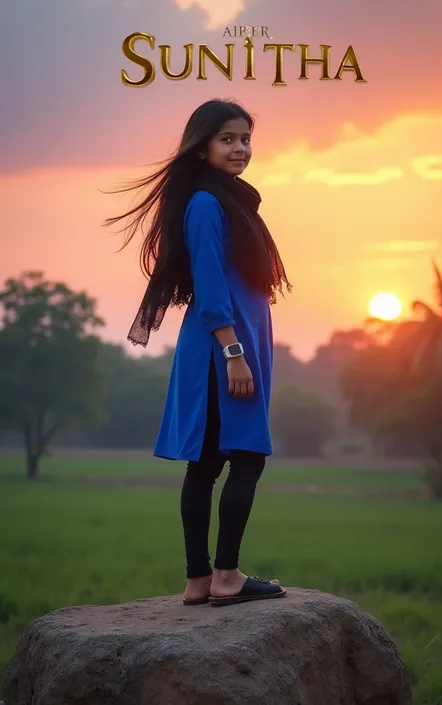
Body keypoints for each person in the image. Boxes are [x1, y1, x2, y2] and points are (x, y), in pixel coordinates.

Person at [104, 98, 292, 606]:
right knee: (246, 457)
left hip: (233, 340)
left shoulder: (231, 200)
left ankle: (198, 581)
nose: (239, 149)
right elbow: (209, 284)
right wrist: (233, 351)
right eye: (227, 139)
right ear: (203, 146)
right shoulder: (208, 204)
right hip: (222, 344)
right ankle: (225, 576)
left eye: (245, 139)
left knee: (208, 462)